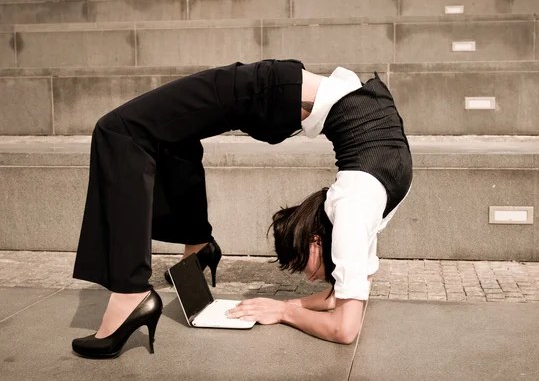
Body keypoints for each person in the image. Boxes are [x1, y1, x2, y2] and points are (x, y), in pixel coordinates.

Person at [71, 59, 411, 359]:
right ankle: (131, 290)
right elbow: (344, 329)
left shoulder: (364, 209)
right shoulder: (352, 210)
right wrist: (283, 311)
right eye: (310, 267)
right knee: (119, 130)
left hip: (280, 94)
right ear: (318, 239)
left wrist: (286, 306)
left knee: (165, 133)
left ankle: (197, 245)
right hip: (263, 90)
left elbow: (335, 300)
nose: (309, 278)